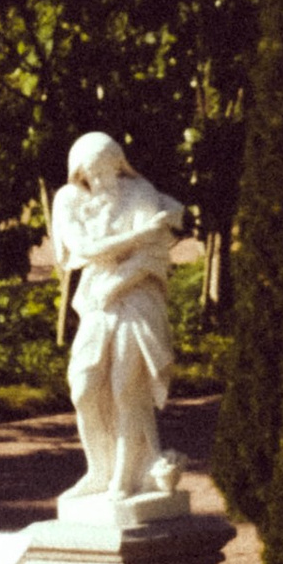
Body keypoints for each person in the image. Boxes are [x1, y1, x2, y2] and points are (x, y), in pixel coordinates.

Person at [48, 131, 184, 503]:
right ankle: (99, 469)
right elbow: (85, 249)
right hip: (97, 299)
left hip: (136, 297)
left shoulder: (139, 191)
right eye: (94, 172)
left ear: (119, 165)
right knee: (84, 385)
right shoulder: (69, 199)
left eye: (109, 170)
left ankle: (124, 477)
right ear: (80, 172)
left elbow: (154, 252)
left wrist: (123, 278)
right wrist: (141, 233)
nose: (103, 179)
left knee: (127, 386)